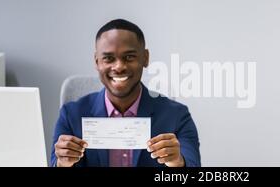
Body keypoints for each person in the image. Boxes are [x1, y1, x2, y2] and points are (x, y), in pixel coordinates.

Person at [50, 19, 200, 167]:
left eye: (129, 57)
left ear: (145, 58)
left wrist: (178, 162)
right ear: (97, 62)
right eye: (108, 58)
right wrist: (62, 164)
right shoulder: (70, 115)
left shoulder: (177, 115)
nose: (119, 66)